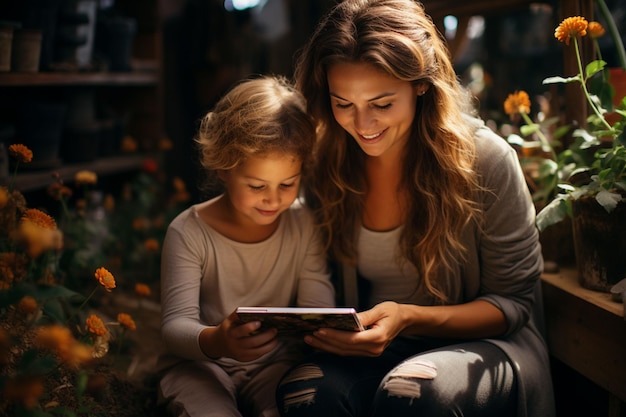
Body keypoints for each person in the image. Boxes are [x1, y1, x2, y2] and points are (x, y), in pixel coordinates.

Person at [275, 1, 555, 416]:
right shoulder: (327, 162)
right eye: (343, 104)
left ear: (421, 84)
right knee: (306, 395)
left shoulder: (487, 161)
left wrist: (408, 317)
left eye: (382, 104)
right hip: (373, 352)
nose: (362, 125)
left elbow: (512, 305)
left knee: (413, 394)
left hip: (486, 349)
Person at [157, 75, 336, 417]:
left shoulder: (303, 224)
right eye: (256, 186)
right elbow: (175, 327)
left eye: (288, 184)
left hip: (275, 366)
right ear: (224, 168)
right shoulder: (189, 232)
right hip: (199, 365)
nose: (273, 199)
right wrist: (218, 341)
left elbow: (317, 304)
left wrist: (326, 330)